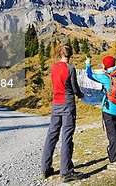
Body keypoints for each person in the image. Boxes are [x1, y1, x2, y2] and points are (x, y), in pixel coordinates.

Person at [41, 45, 84, 182]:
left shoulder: (53, 68)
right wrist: (82, 95)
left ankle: (45, 168)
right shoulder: (70, 69)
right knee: (66, 137)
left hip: (56, 104)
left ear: (60, 53)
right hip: (67, 105)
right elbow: (75, 88)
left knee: (52, 135)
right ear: (71, 54)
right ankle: (66, 172)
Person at [85, 55, 116, 170]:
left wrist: (88, 63)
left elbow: (89, 75)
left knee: (112, 136)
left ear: (106, 65)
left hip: (108, 110)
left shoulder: (105, 77)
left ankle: (115, 161)